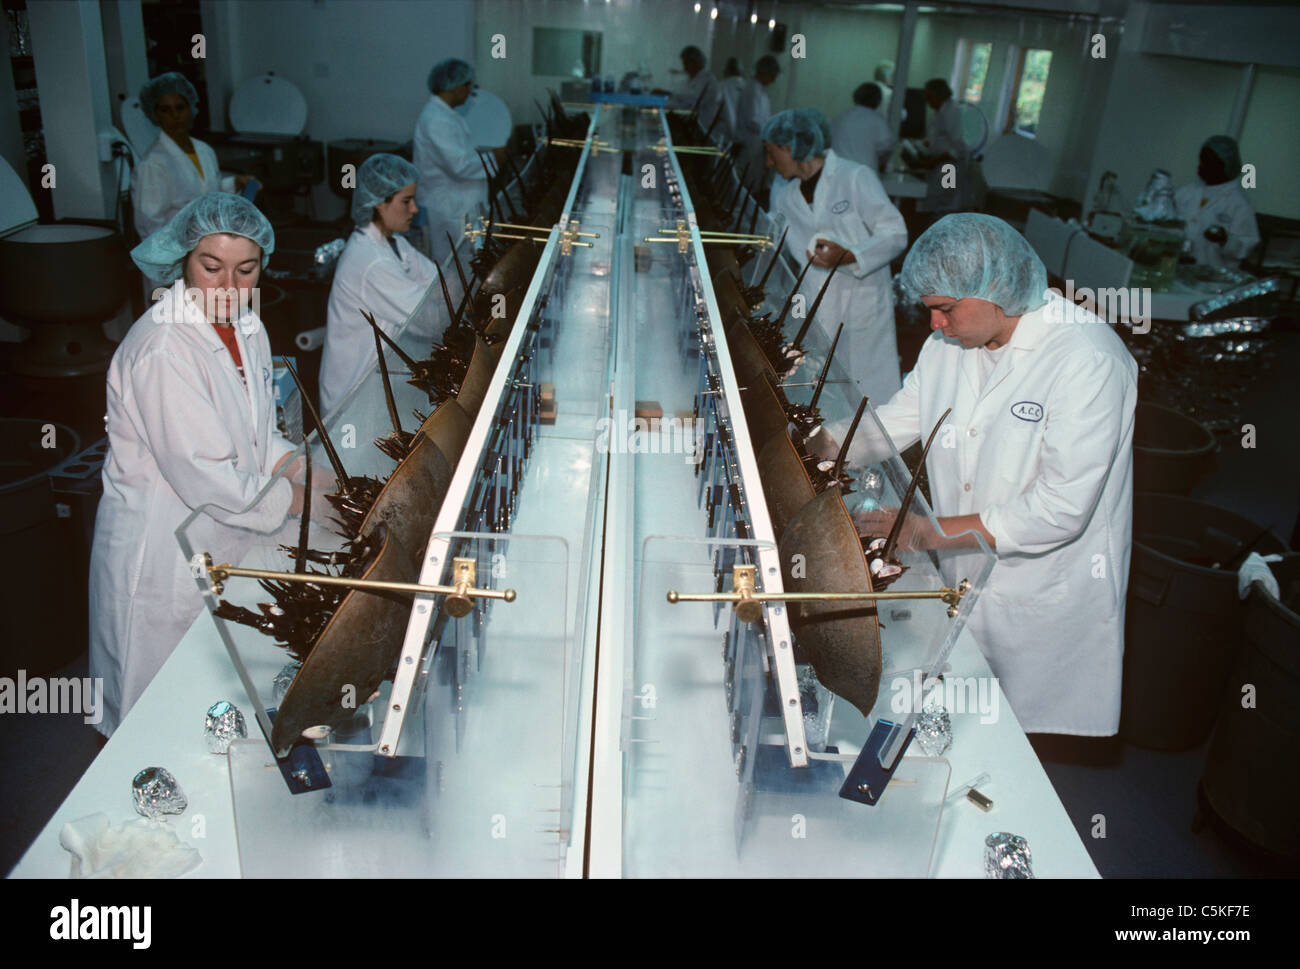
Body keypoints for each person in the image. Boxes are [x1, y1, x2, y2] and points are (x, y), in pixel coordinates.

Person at [835, 214, 1137, 737]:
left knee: (1024, 746)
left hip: (1045, 590)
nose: (934, 325)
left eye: (945, 309)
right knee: (970, 724)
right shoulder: (950, 346)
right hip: (967, 570)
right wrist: (810, 445)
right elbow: (896, 421)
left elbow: (1060, 509)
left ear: (994, 289)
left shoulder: (1087, 359)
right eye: (930, 310)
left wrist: (925, 532)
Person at [89, 194, 308, 736]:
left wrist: (298, 467)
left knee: (212, 709)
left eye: (246, 269)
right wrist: (298, 500)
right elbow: (206, 478)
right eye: (211, 268)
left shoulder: (247, 326)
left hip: (222, 539)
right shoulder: (165, 346)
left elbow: (257, 433)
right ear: (183, 262)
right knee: (152, 722)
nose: (229, 286)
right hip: (163, 550)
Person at [762, 108, 907, 404]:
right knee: (827, 394)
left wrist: (851, 255)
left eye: (771, 152)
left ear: (788, 148)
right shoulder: (786, 196)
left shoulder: (854, 177)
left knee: (871, 392)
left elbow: (895, 233)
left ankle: (881, 450)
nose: (768, 162)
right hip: (819, 305)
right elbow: (773, 238)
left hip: (862, 302)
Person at [320, 153, 448, 413]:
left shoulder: (394, 243)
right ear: (379, 203)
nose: (414, 209)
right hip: (352, 402)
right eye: (406, 201)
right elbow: (432, 321)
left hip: (377, 384)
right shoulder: (372, 262)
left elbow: (441, 283)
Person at [131, 73, 252, 242]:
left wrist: (235, 182)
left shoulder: (204, 151)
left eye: (180, 107)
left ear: (191, 109)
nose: (175, 116)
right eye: (165, 110)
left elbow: (206, 192)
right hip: (175, 254)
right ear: (155, 115)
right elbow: (149, 225)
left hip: (206, 245)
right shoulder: (153, 163)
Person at [414, 58, 487, 265]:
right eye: (467, 85)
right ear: (454, 86)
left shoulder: (446, 115)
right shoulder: (437, 120)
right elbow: (459, 167)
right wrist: (494, 159)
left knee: (463, 265)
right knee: (452, 267)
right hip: (448, 209)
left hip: (456, 205)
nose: (470, 91)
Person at [1174, 135, 1259, 269]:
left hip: (1212, 277)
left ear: (1226, 165)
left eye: (1208, 163)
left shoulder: (1239, 203)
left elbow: (1246, 246)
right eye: (1201, 161)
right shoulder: (1187, 192)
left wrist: (1225, 240)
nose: (1201, 166)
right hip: (1178, 268)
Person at [916, 79, 970, 216]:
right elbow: (936, 138)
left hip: (950, 166)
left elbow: (959, 148)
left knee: (945, 201)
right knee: (933, 199)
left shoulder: (952, 112)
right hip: (940, 164)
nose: (927, 102)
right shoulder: (938, 112)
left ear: (939, 95)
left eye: (929, 97)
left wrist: (934, 160)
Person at [666, 45, 731, 143]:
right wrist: (663, 104)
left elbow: (692, 101)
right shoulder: (690, 80)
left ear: (695, 63)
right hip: (692, 128)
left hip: (705, 129)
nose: (684, 67)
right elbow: (679, 101)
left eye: (686, 63)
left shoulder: (708, 81)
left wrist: (669, 96)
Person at [735, 55, 781, 194]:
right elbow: (752, 120)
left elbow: (763, 117)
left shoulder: (760, 90)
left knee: (755, 181)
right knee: (749, 182)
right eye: (772, 76)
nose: (773, 80)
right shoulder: (752, 90)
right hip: (750, 143)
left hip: (757, 143)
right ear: (764, 72)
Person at [831, 82, 897, 173]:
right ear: (878, 100)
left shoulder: (840, 117)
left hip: (838, 173)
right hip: (863, 176)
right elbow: (887, 147)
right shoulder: (877, 120)